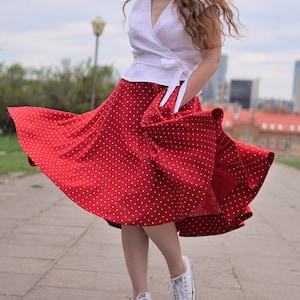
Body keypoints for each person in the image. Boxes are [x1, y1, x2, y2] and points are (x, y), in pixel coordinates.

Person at [8, 0, 274, 299]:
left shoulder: (198, 5)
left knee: (145, 197)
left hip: (172, 102)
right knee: (129, 201)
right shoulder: (138, 4)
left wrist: (173, 103)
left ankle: (179, 269)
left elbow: (212, 59)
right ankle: (141, 294)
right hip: (129, 100)